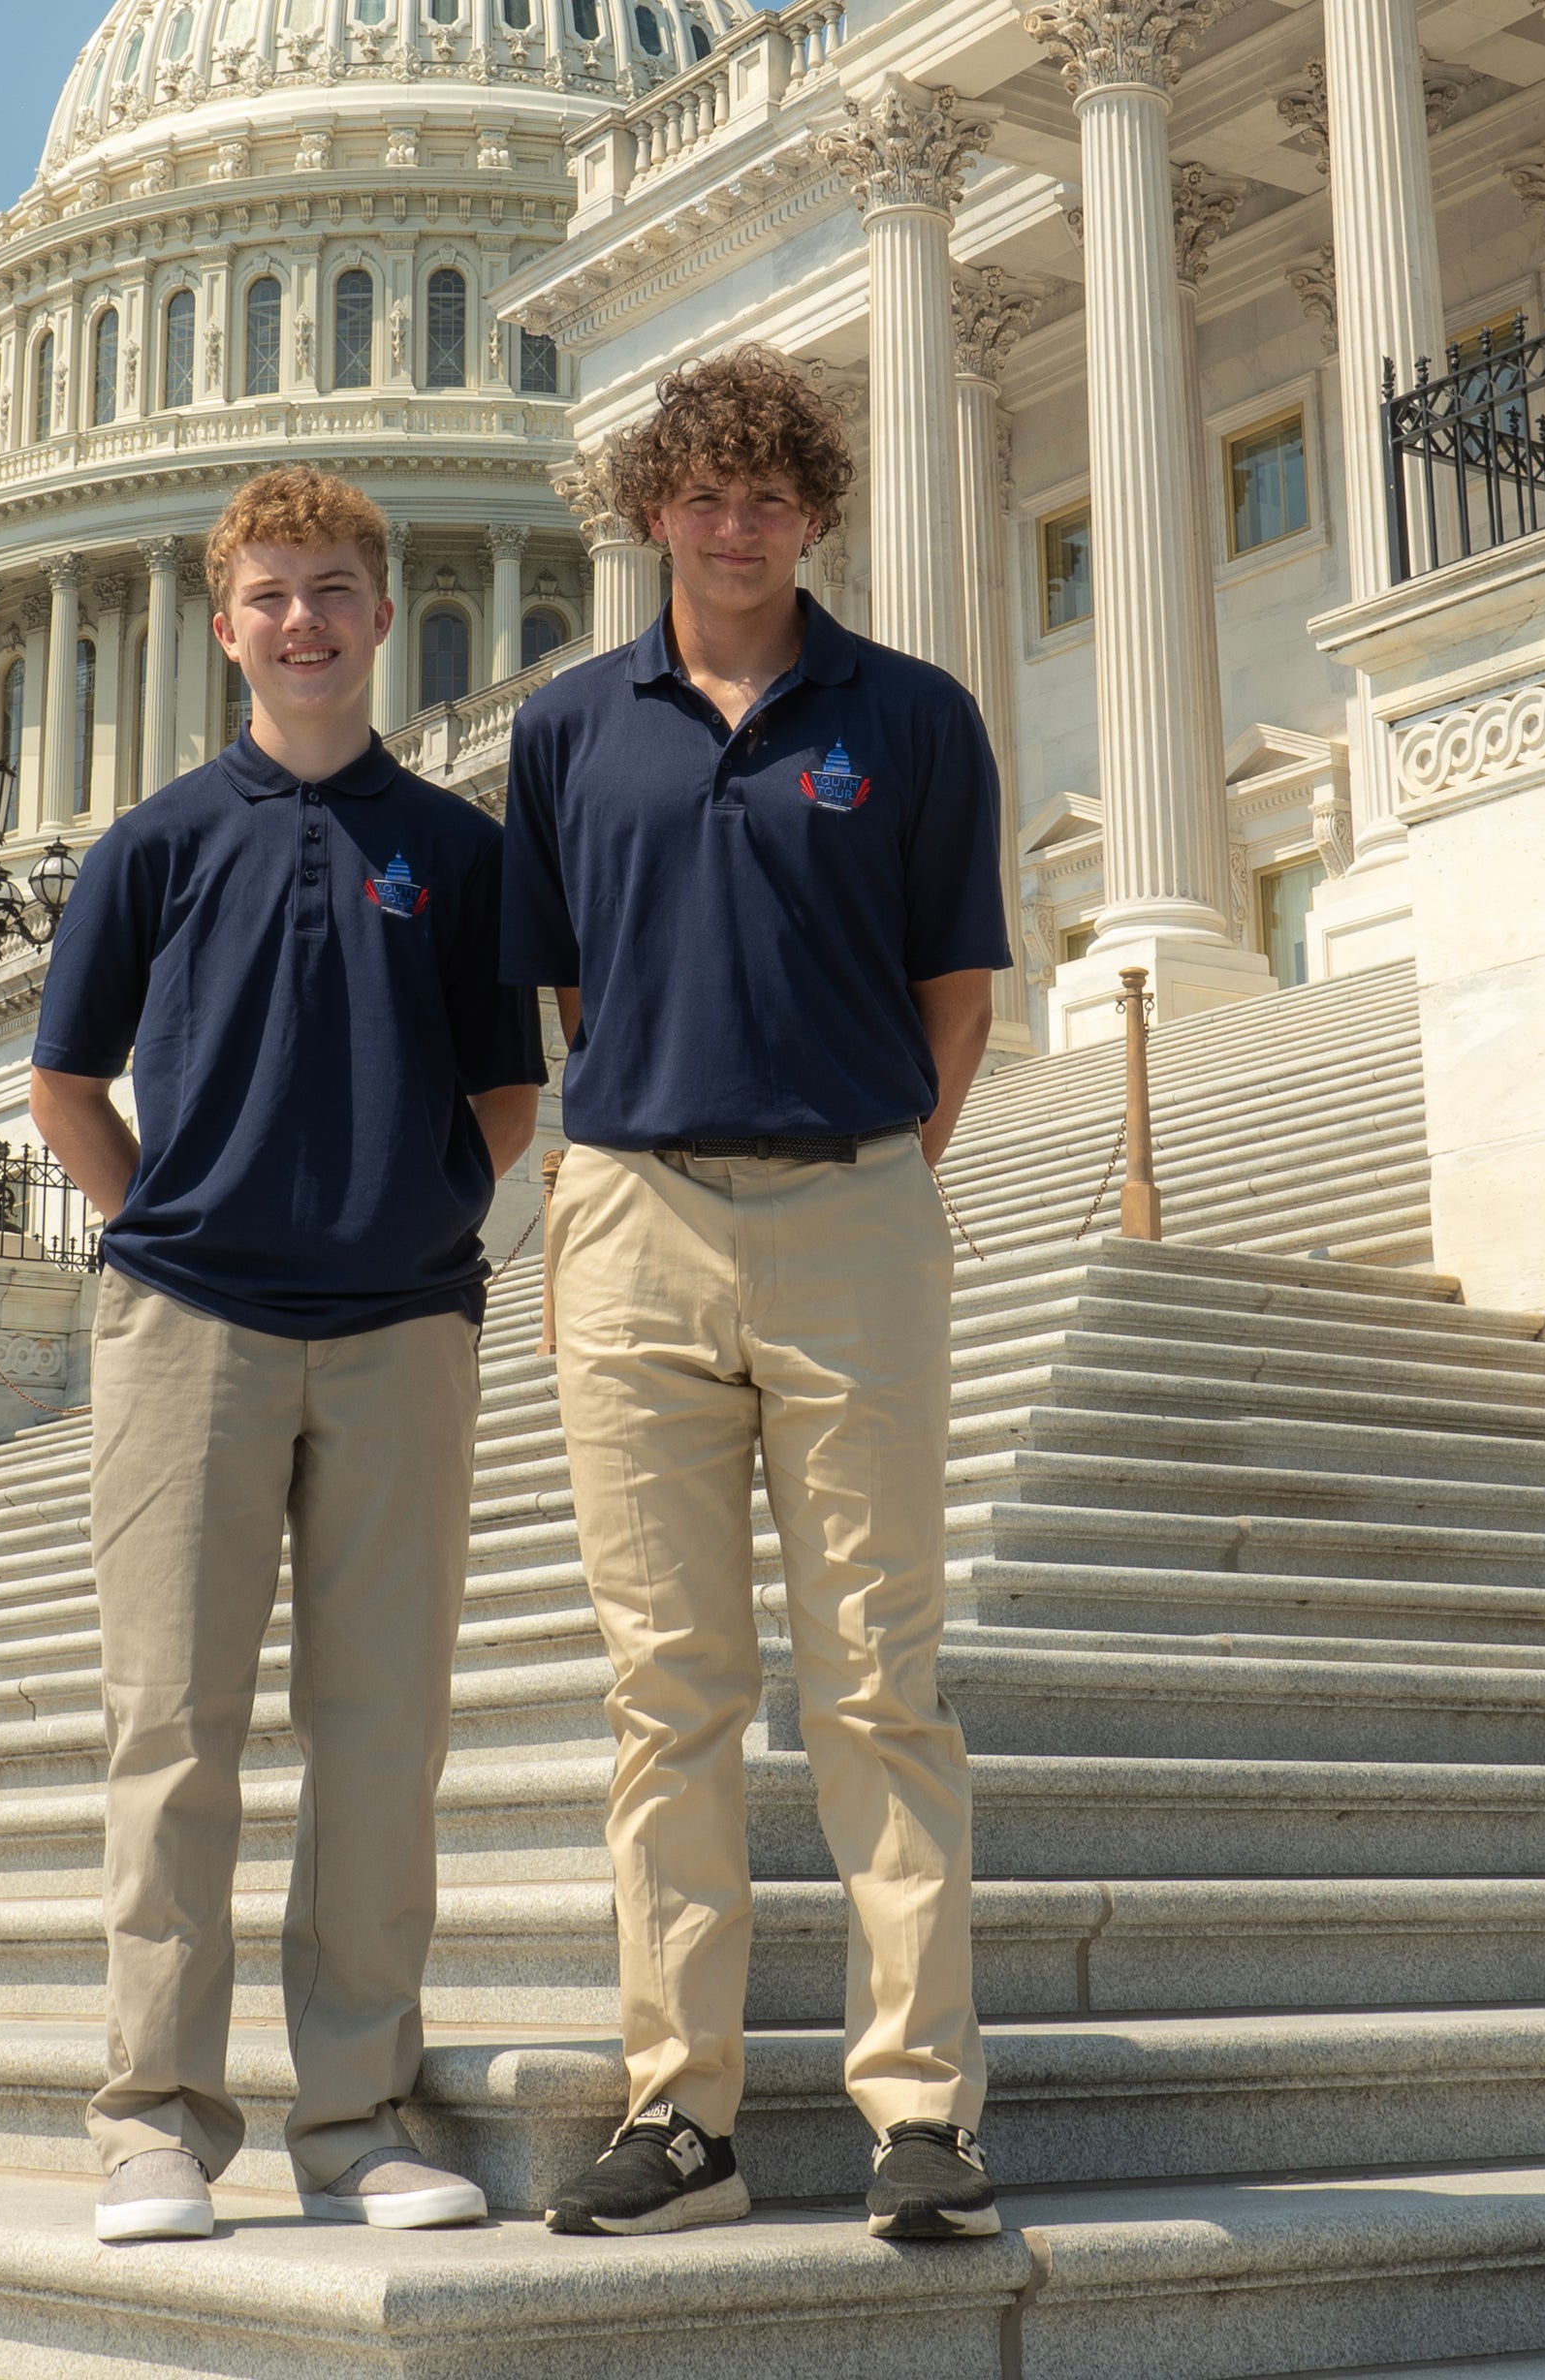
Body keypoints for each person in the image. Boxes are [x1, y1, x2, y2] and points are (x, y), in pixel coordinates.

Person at [498, 346, 1014, 2244]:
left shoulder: (916, 715)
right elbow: (565, 992)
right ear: (653, 512)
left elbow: (959, 986)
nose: (739, 523)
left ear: (816, 514)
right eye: (707, 494)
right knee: (670, 1691)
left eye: (774, 495)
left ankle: (921, 2110)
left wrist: (881, 1167)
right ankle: (682, 2113)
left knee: (882, 1680)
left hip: (853, 1220)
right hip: (635, 1219)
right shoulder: (568, 732)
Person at [29, 464, 542, 2247]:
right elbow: (63, 1085)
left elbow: (509, 1088)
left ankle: (358, 2113)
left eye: (333, 589)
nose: (304, 622)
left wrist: (417, 1218)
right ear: (226, 621)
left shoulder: (461, 851)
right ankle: (154, 2119)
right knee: (172, 1732)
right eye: (271, 595)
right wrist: (162, 1226)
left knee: (381, 1735)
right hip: (194, 1329)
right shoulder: (156, 842)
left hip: (401, 1329)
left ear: (383, 612)